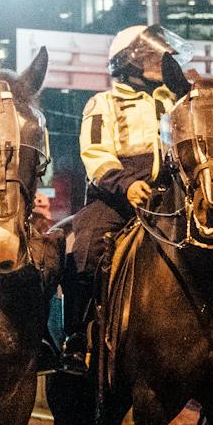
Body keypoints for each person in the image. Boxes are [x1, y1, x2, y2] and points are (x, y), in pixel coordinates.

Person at [56, 24, 190, 374]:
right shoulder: (105, 102)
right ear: (129, 62)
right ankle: (75, 338)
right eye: (151, 55)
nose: (160, 61)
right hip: (116, 198)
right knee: (84, 250)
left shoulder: (172, 101)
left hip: (169, 193)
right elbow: (97, 153)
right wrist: (126, 185)